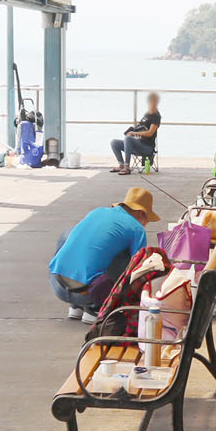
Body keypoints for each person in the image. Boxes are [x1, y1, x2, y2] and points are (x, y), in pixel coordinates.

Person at [49, 186, 160, 321]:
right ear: (141, 213)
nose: (146, 224)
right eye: (147, 219)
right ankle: (95, 307)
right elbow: (139, 266)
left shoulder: (98, 212)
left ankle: (76, 306)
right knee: (126, 256)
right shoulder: (136, 228)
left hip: (57, 285)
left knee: (72, 237)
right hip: (88, 292)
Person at [111, 92, 162, 174]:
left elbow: (150, 133)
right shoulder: (147, 114)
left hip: (147, 147)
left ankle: (127, 167)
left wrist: (134, 134)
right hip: (137, 143)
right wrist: (132, 131)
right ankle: (121, 164)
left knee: (128, 139)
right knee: (114, 142)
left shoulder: (156, 116)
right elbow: (140, 127)